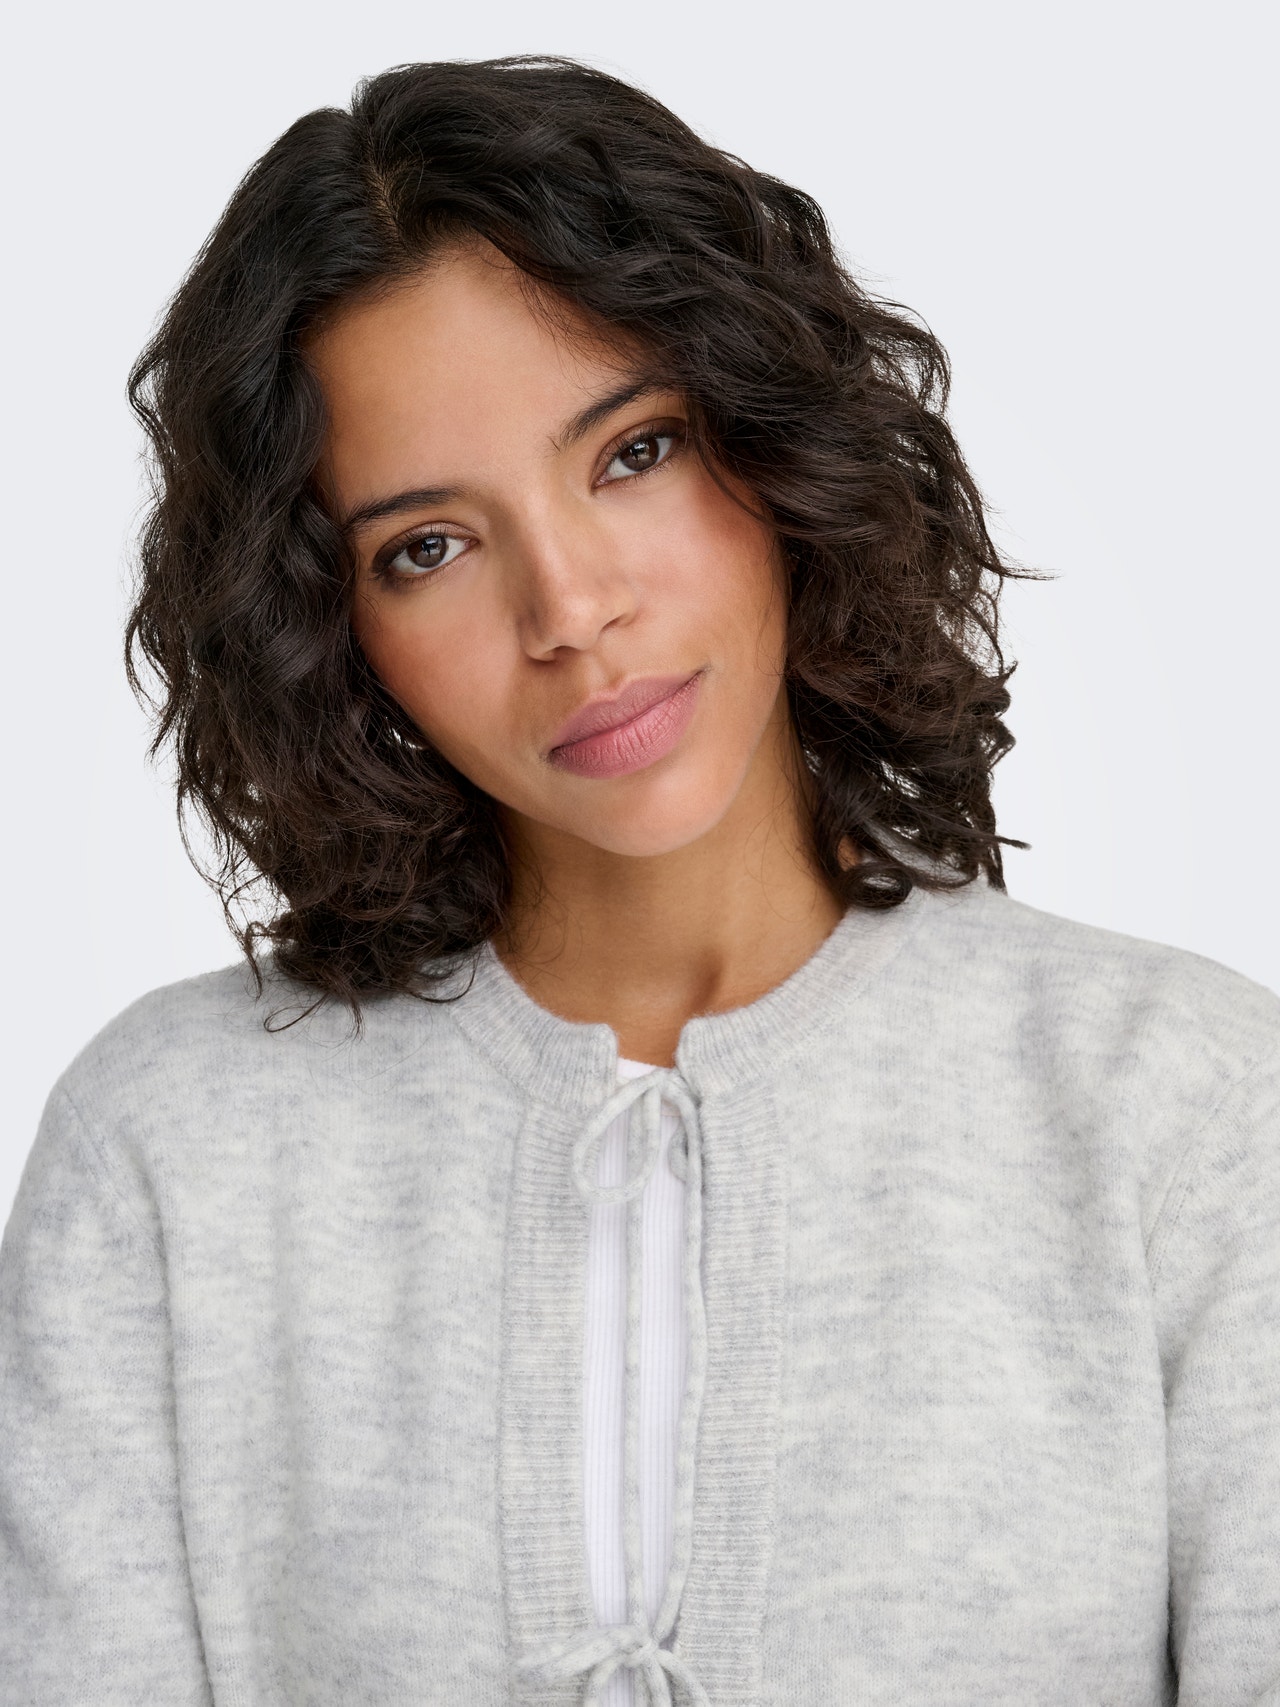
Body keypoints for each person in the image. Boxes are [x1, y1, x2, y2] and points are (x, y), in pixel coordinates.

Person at [1, 54, 1277, 1707]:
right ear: (333, 629)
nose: (570, 610)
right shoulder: (165, 1151)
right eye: (427, 547)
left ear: (773, 442)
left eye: (633, 452)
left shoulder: (1185, 1110)